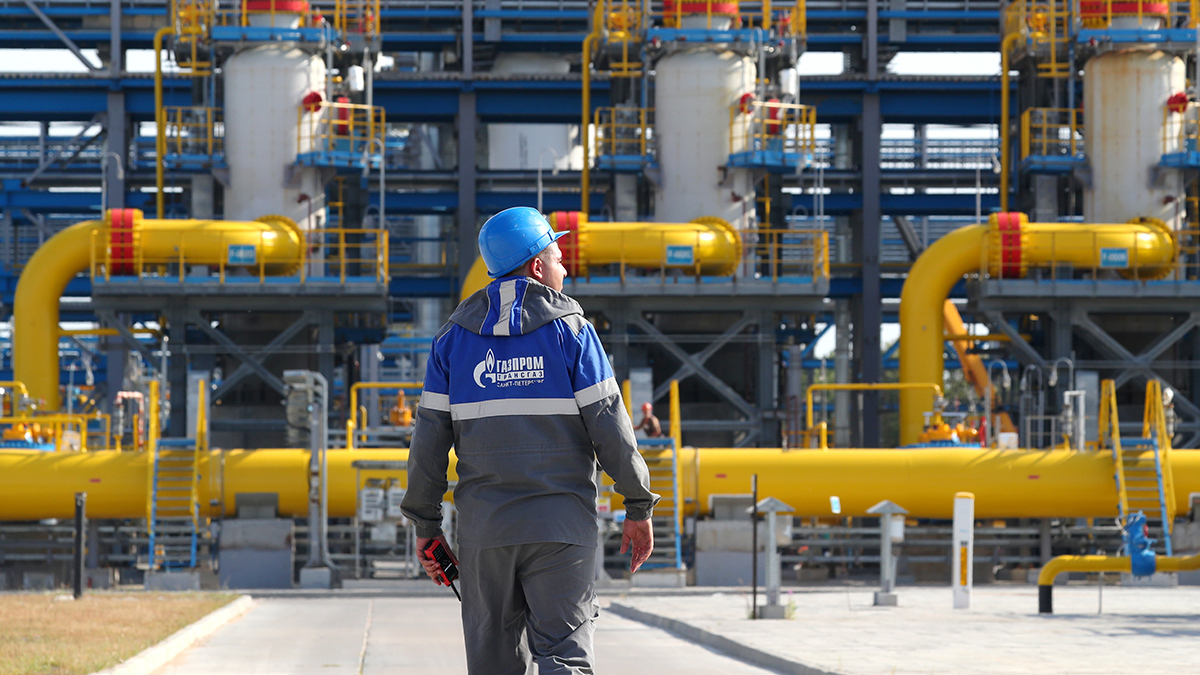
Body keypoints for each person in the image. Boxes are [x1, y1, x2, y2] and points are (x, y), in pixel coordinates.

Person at [400, 206, 660, 675]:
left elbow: (428, 444)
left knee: (493, 664)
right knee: (565, 657)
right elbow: (610, 424)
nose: (565, 267)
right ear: (537, 267)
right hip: (561, 529)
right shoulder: (573, 333)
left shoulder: (451, 342)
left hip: (486, 534)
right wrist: (638, 506)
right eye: (558, 257)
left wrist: (425, 526)